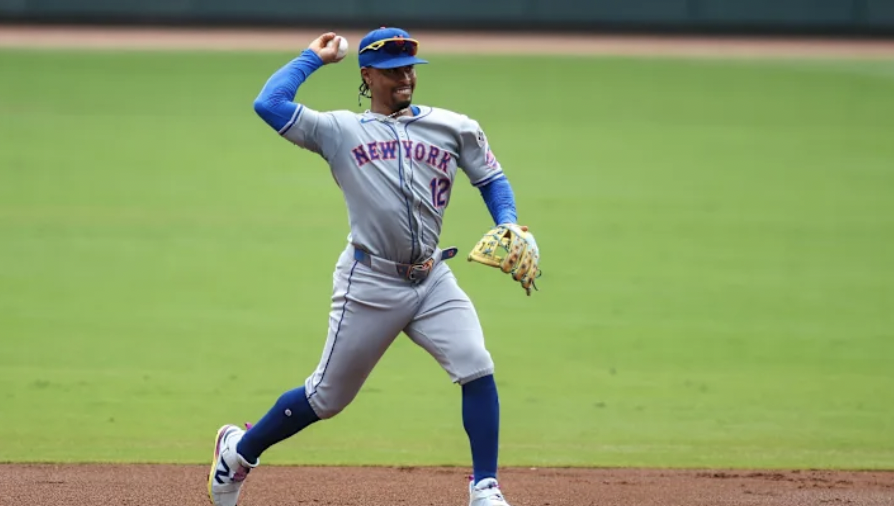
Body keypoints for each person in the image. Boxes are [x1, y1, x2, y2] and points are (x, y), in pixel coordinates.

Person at [208, 26, 538, 506]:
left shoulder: (455, 126)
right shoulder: (339, 130)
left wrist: (508, 221)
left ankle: (485, 487)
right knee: (326, 398)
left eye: (409, 69)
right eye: (391, 71)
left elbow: (492, 178)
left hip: (431, 279)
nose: (404, 78)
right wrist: (312, 58)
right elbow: (269, 104)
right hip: (370, 282)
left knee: (476, 364)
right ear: (367, 76)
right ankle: (238, 452)